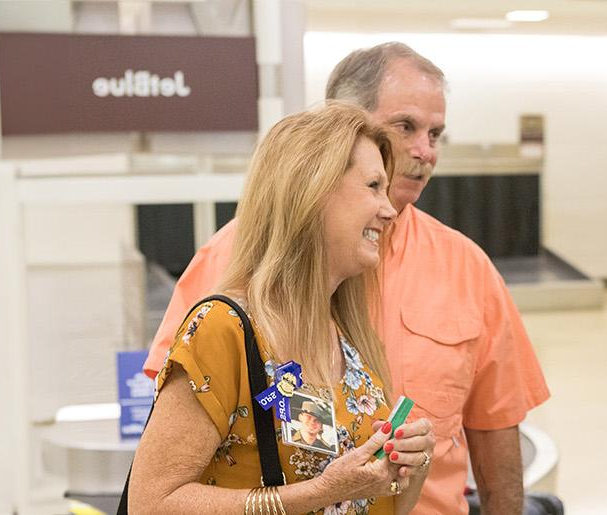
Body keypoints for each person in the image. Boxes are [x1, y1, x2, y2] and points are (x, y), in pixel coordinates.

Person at [142, 42, 549, 515]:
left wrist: (409, 465)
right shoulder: (224, 298)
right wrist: (321, 492)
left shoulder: (358, 330)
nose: (425, 152)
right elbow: (160, 483)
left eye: (436, 133)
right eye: (406, 127)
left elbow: (487, 430)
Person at [129, 103, 437, 514]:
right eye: (372, 186)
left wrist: (409, 469)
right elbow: (150, 504)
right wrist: (320, 491)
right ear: (312, 191)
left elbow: (376, 506)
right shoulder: (223, 329)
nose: (390, 209)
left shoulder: (348, 336)